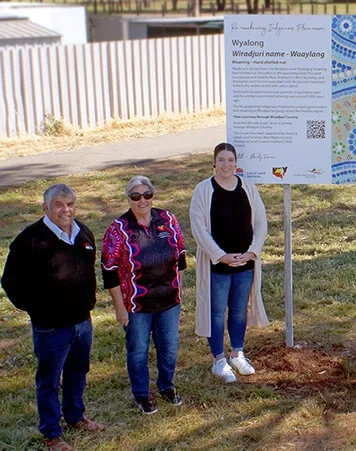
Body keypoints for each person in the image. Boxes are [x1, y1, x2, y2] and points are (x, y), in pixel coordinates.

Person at [1, 184, 105, 451]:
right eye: (59, 204)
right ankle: (52, 433)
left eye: (70, 203)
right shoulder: (30, 241)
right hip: (50, 327)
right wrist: (39, 309)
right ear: (45, 208)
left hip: (82, 321)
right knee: (49, 380)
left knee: (77, 372)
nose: (66, 209)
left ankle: (75, 417)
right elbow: (10, 283)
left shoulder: (83, 233)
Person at [101, 176, 187, 414]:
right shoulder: (117, 230)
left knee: (169, 347)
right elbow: (109, 272)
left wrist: (178, 289)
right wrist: (120, 308)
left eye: (147, 195)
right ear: (128, 198)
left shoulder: (167, 219)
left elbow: (180, 256)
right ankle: (141, 394)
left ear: (153, 196)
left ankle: (166, 386)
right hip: (136, 304)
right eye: (136, 196)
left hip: (169, 300)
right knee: (138, 350)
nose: (142, 201)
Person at [190, 142, 269, 383]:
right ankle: (218, 360)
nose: (226, 164)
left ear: (237, 163)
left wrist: (252, 252)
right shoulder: (203, 190)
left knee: (238, 310)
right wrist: (220, 255)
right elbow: (199, 229)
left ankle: (237, 353)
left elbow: (261, 223)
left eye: (230, 160)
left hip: (245, 264)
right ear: (214, 163)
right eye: (221, 160)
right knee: (215, 312)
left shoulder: (248, 188)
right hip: (217, 265)